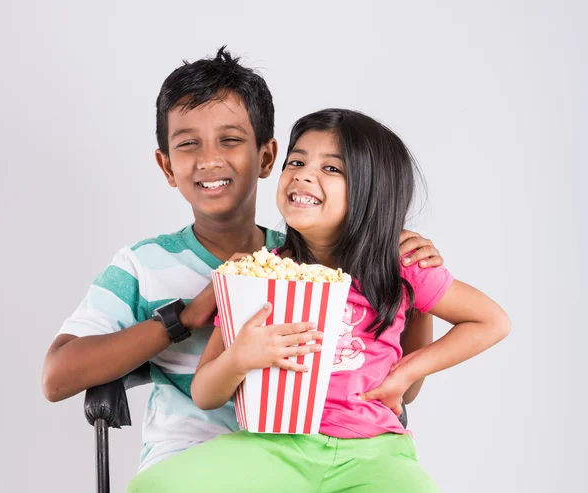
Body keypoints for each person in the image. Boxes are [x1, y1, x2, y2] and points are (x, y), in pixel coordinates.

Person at [41, 49, 443, 475]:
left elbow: (404, 389)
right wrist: (184, 318)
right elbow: (57, 377)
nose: (209, 160)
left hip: (305, 459)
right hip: (188, 460)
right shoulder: (144, 265)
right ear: (167, 166)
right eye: (187, 144)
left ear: (267, 157)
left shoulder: (306, 260)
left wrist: (415, 288)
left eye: (230, 140)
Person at [127, 108, 510, 492]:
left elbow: (491, 322)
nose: (303, 174)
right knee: (157, 486)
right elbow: (205, 393)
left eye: (332, 169)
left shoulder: (400, 266)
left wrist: (405, 373)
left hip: (374, 451)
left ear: (372, 192)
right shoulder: (259, 274)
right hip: (275, 447)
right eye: (296, 161)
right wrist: (240, 357)